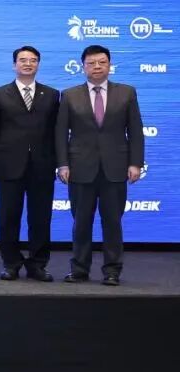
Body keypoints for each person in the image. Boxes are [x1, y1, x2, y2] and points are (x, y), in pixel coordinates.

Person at [57, 44, 143, 286]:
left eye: (102, 62)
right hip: (80, 168)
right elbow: (60, 133)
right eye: (91, 63)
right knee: (81, 223)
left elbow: (135, 130)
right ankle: (79, 269)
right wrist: (62, 164)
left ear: (109, 65)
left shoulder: (126, 92)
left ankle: (112, 270)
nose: (97, 67)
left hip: (115, 168)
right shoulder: (69, 95)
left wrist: (135, 163)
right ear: (83, 67)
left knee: (112, 222)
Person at [0, 46, 59, 282]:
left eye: (33, 60)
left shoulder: (52, 95)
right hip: (8, 166)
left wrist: (57, 162)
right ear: (14, 64)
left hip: (42, 166)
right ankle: (11, 263)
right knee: (8, 218)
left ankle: (38, 264)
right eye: (23, 60)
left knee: (41, 219)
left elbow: (56, 133)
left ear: (38, 64)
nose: (28, 64)